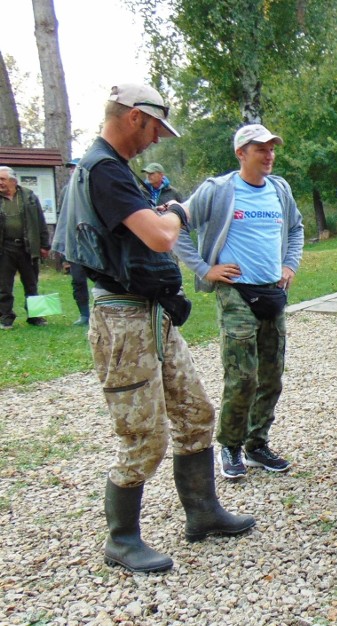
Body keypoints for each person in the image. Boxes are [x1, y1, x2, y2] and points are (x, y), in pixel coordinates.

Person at [52, 83, 255, 573]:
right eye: (156, 129)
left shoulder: (114, 170)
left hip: (150, 314)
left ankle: (203, 514)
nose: (155, 141)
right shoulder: (104, 171)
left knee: (196, 413)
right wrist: (181, 211)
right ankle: (121, 539)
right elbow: (162, 237)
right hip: (122, 322)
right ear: (135, 118)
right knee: (142, 436)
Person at [175, 123, 304, 480]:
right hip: (236, 292)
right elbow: (176, 226)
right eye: (260, 148)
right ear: (241, 153)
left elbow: (296, 228)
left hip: (273, 291)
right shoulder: (218, 190)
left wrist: (290, 263)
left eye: (272, 148)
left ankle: (257, 444)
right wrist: (204, 269)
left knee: (271, 375)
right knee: (242, 376)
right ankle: (230, 446)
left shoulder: (280, 189)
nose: (269, 155)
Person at [0, 166, 51, 329]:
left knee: (32, 284)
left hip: (27, 247)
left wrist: (44, 245)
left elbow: (40, 221)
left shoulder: (28, 196)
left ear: (13, 181)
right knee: (4, 286)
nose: (0, 183)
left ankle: (35, 316)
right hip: (4, 248)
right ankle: (5, 318)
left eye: (2, 179)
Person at [57, 159, 91, 326]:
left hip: (93, 243)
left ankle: (104, 313)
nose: (72, 171)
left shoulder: (91, 187)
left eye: (74, 168)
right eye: (70, 168)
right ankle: (84, 314)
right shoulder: (65, 191)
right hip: (74, 244)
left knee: (103, 281)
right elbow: (62, 219)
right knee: (77, 280)